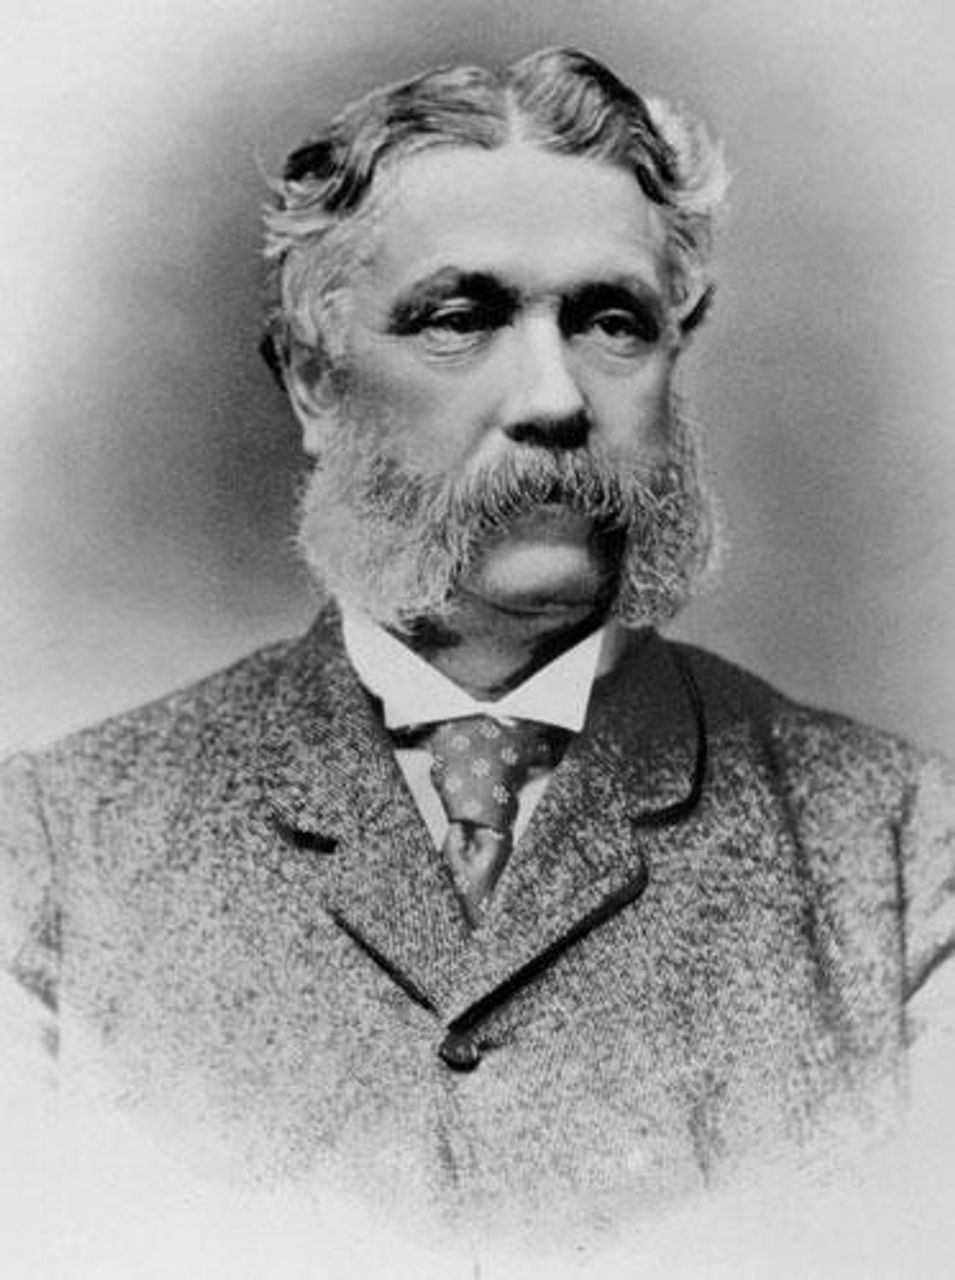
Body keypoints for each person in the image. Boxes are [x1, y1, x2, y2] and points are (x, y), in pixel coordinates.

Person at [1, 46, 953, 1249]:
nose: (554, 398)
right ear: (311, 382)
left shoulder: (900, 855)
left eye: (611, 321)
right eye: (461, 319)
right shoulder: (55, 856)